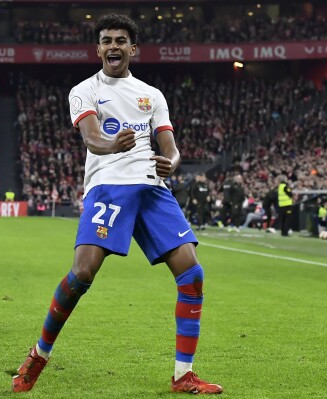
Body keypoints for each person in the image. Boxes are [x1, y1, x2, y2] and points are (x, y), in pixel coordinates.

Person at [11, 14, 222, 395]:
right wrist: (114, 145)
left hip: (152, 189)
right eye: (106, 40)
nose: (113, 46)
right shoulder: (84, 90)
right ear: (98, 49)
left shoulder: (152, 95)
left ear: (132, 49)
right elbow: (92, 139)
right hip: (108, 187)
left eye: (120, 40)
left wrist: (170, 165)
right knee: (82, 273)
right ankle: (38, 355)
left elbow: (171, 149)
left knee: (192, 274)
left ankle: (183, 375)